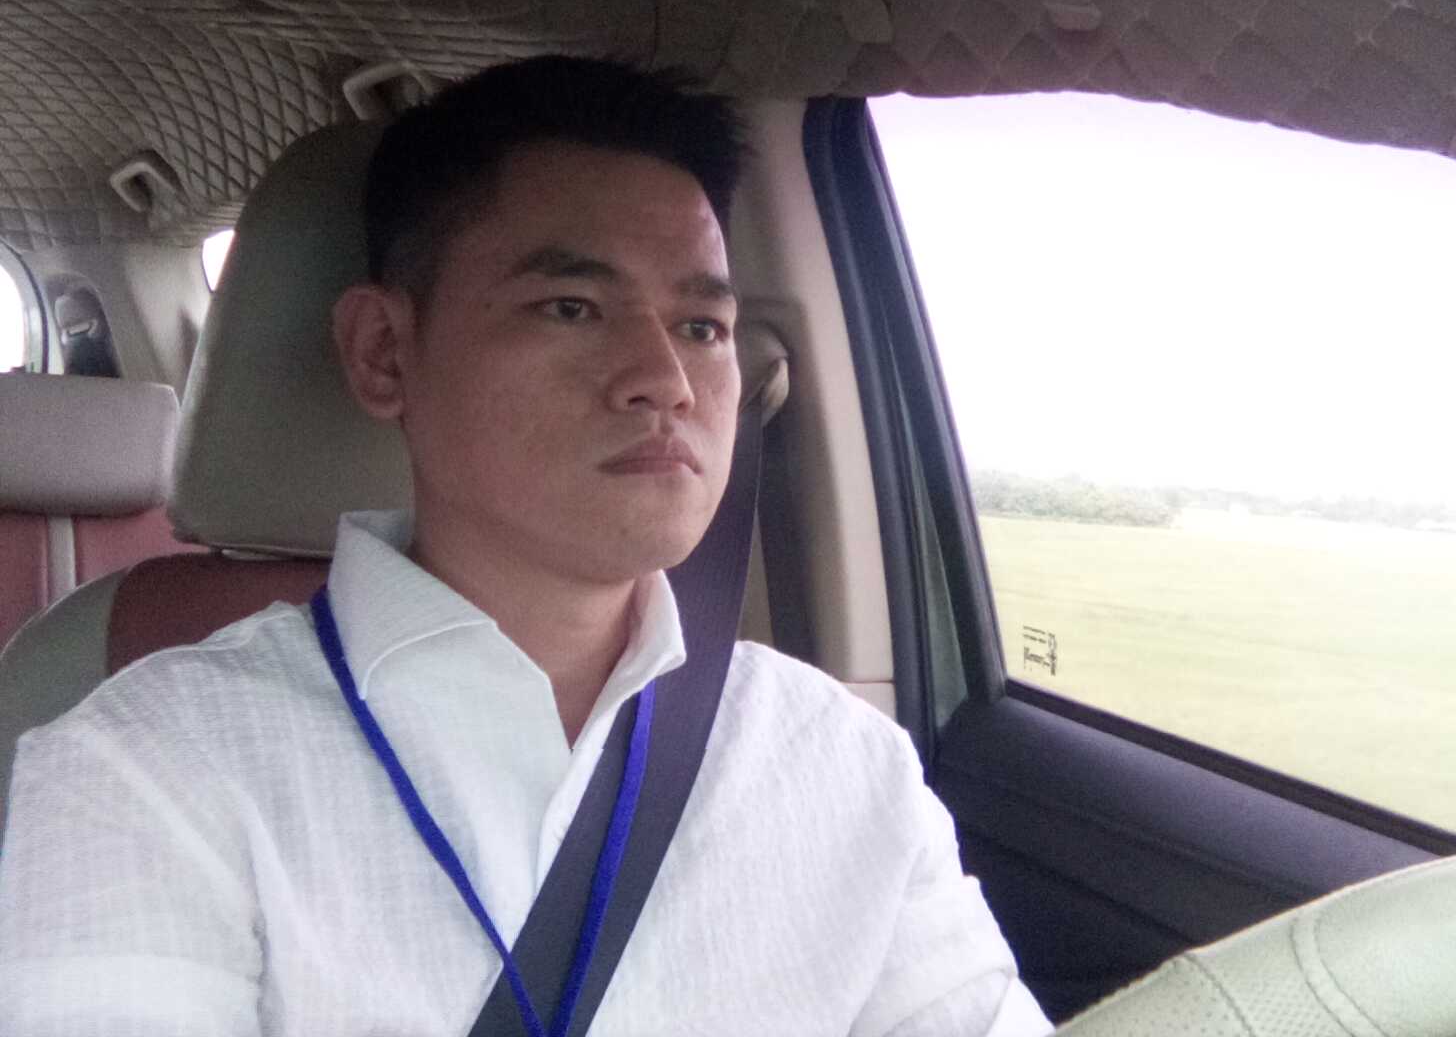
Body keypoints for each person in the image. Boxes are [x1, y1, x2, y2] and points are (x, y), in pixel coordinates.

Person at [0, 57, 1052, 1035]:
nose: (666, 381)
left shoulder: (846, 764)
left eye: (702, 327)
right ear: (384, 352)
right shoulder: (147, 768)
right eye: (572, 306)